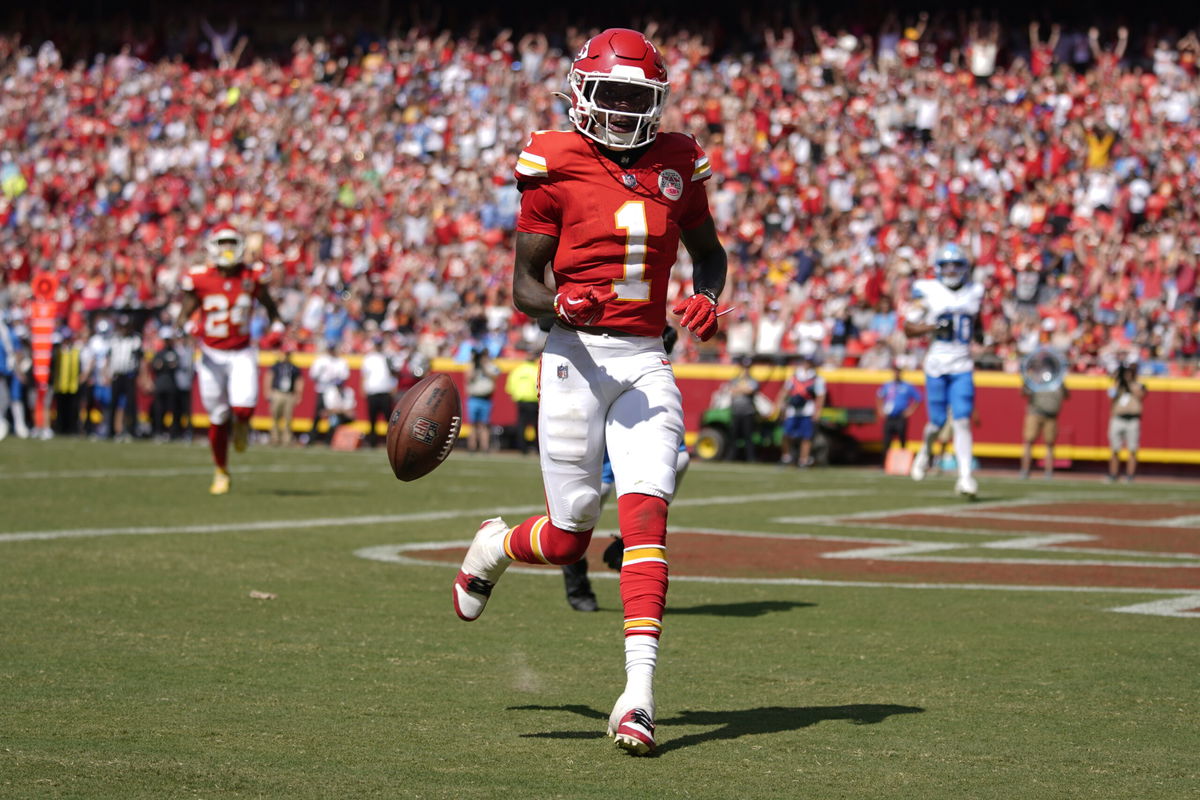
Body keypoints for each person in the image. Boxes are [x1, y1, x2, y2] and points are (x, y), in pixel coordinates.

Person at [451, 28, 727, 757]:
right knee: (570, 530)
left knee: (646, 518)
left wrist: (706, 299)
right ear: (582, 94)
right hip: (574, 355)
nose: (625, 111)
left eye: (639, 97)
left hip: (644, 359)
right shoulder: (554, 157)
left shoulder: (678, 159)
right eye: (614, 95)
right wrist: (557, 307)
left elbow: (712, 256)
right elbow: (523, 287)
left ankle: (638, 697)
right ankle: (496, 545)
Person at [559, 325, 689, 613]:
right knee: (576, 515)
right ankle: (577, 585)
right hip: (595, 441)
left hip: (631, 432)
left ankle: (629, 543)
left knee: (678, 459)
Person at [176, 223, 283, 494]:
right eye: (221, 244)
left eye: (231, 244)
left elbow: (270, 307)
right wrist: (189, 327)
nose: (226, 250)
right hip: (211, 354)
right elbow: (183, 316)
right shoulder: (199, 278)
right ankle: (221, 470)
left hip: (242, 352)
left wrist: (277, 326)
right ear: (212, 246)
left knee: (244, 408)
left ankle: (243, 427)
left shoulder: (252, 275)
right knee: (218, 415)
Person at [904, 243, 984, 499]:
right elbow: (908, 328)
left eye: (956, 265)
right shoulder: (927, 289)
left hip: (962, 365)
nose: (951, 270)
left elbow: (977, 323)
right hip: (936, 365)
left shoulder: (975, 291)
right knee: (936, 423)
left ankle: (965, 477)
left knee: (962, 420)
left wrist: (983, 338)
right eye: (946, 265)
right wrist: (932, 327)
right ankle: (925, 452)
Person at [776, 353, 825, 468]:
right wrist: (779, 405)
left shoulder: (816, 378)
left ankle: (803, 459)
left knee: (806, 436)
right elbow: (785, 391)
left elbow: (820, 396)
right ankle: (786, 457)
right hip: (792, 409)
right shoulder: (794, 376)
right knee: (786, 434)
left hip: (807, 409)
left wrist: (817, 411)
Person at [1020, 376, 1070, 480]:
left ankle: (1048, 472)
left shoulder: (1058, 380)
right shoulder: (1036, 378)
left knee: (1050, 444)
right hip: (1035, 413)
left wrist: (1062, 384)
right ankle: (1025, 470)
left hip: (1051, 415)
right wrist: (1027, 382)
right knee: (1029, 441)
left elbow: (1067, 395)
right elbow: (1023, 393)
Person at [875, 361, 921, 465]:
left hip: (900, 416)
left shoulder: (907, 386)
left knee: (902, 439)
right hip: (890, 416)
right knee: (886, 441)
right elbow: (879, 396)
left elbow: (918, 398)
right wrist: (880, 409)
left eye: (898, 372)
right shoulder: (888, 385)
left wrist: (910, 410)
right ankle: (884, 464)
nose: (896, 374)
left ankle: (903, 464)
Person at [1107, 361, 1146, 482]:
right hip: (1118, 418)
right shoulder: (1118, 386)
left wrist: (1128, 384)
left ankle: (1130, 475)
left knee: (1132, 449)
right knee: (1114, 449)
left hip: (1132, 420)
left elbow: (1141, 394)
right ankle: (1113, 474)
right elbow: (1111, 395)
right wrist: (1119, 383)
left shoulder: (1138, 385)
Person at [106, 315, 143, 441]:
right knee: (113, 404)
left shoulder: (135, 340)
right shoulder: (114, 340)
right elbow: (109, 358)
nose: (123, 329)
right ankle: (110, 430)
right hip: (117, 375)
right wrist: (106, 373)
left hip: (129, 375)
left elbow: (140, 359)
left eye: (125, 327)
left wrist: (142, 375)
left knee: (131, 405)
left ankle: (131, 430)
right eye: (122, 327)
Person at [308, 342, 349, 445]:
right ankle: (312, 438)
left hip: (335, 392)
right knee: (318, 416)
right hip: (322, 390)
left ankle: (329, 439)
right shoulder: (321, 360)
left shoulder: (340, 361)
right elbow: (313, 375)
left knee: (333, 417)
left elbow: (344, 376)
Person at [360, 336, 396, 448]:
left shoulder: (388, 357)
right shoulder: (368, 358)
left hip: (385, 390)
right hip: (373, 391)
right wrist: (363, 389)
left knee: (388, 419)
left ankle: (392, 441)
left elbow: (393, 374)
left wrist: (393, 387)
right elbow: (364, 375)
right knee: (372, 419)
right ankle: (372, 442)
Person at [265, 343, 303, 446]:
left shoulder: (294, 368)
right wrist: (268, 391)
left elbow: (299, 381)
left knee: (288, 417)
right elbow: (269, 377)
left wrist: (298, 394)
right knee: (275, 416)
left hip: (289, 394)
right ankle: (275, 438)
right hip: (277, 392)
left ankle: (287, 439)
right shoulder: (276, 366)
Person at [148, 327, 183, 440]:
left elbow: (174, 365)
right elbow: (155, 365)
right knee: (159, 410)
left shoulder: (174, 352)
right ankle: (159, 431)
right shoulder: (159, 353)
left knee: (173, 410)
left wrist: (163, 365)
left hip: (171, 385)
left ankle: (173, 432)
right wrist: (166, 365)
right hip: (160, 385)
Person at [504, 348, 539, 454]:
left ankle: (522, 448)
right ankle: (537, 448)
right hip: (533, 400)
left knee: (521, 425)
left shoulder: (518, 370)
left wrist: (516, 395)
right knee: (536, 426)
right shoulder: (536, 369)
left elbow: (510, 386)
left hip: (521, 400)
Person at [465, 348, 499, 453]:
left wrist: (484, 366)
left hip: (486, 398)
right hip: (474, 398)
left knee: (484, 424)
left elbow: (495, 376)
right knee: (473, 424)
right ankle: (472, 447)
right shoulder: (472, 366)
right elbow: (468, 378)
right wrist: (475, 365)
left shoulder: (491, 367)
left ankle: (484, 447)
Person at [321, 375, 356, 441]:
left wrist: (340, 410)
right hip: (334, 415)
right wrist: (342, 411)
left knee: (349, 418)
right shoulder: (330, 392)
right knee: (334, 419)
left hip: (343, 415)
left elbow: (350, 409)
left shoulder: (348, 392)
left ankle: (342, 439)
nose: (339, 387)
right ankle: (330, 439)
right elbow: (330, 409)